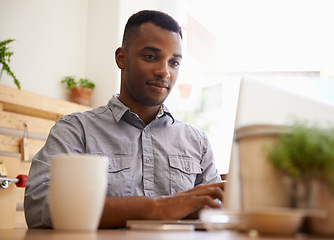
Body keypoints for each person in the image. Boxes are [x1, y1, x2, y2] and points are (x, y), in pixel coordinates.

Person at [24, 10, 223, 229]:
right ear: (122, 58)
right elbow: (39, 206)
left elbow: (216, 214)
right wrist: (156, 208)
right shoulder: (76, 131)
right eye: (151, 56)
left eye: (174, 63)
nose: (164, 72)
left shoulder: (199, 142)